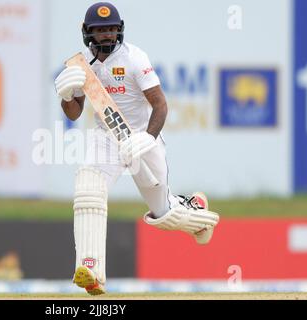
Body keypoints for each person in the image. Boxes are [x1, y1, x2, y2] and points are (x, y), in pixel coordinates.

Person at [54, 2, 219, 296]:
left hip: (142, 139)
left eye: (111, 29)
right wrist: (67, 95)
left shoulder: (134, 58)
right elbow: (74, 113)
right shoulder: (80, 67)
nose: (106, 35)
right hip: (106, 137)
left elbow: (160, 104)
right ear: (87, 33)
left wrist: (149, 137)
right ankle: (91, 271)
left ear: (119, 29)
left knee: (163, 213)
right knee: (87, 188)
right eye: (99, 30)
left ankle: (199, 215)